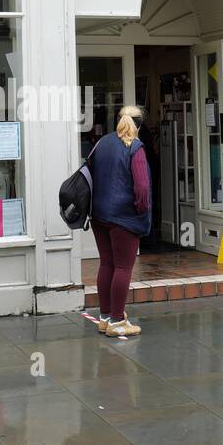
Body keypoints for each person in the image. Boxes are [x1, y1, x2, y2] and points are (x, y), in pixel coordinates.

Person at [88, 105, 151, 337]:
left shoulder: (102, 143)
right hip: (124, 217)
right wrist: (141, 211)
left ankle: (105, 318)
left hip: (99, 214)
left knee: (107, 264)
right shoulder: (135, 147)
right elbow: (143, 188)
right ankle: (117, 321)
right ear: (140, 125)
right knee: (123, 267)